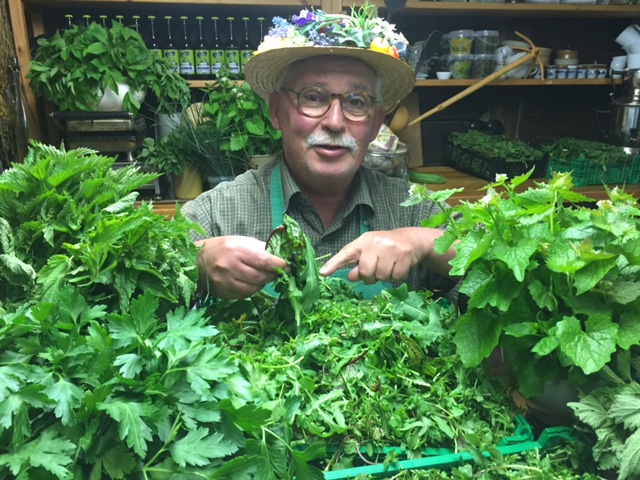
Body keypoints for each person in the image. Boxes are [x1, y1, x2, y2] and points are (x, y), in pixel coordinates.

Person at [181, 4, 458, 301]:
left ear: (377, 123)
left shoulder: (416, 210)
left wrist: (423, 242)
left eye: (356, 102)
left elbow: (497, 265)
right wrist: (195, 264)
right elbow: (140, 291)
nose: (335, 122)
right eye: (312, 98)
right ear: (276, 112)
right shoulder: (215, 215)